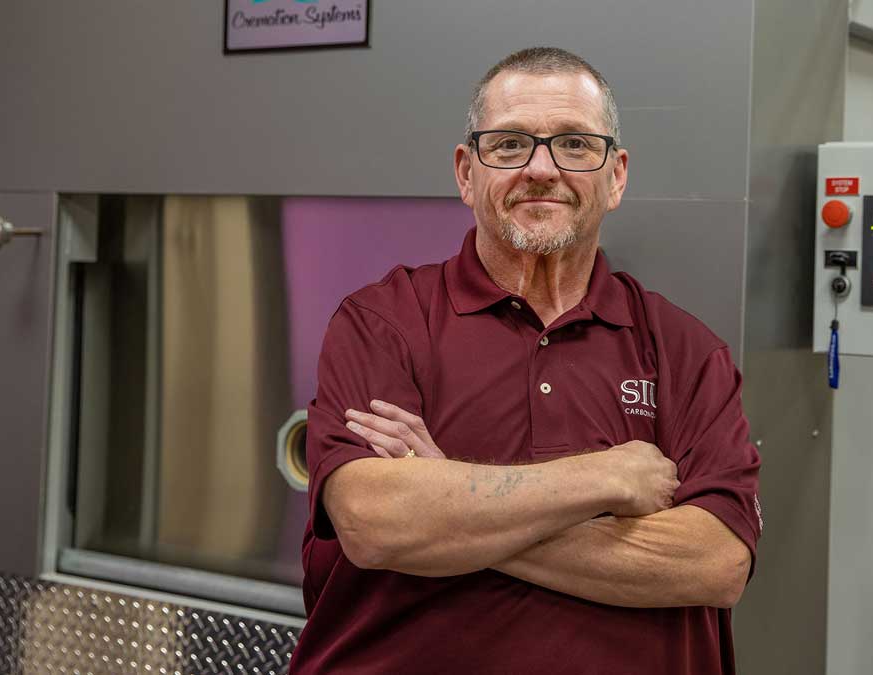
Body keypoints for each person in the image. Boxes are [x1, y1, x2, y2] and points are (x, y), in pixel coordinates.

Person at [288, 46, 762, 675]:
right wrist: (604, 478)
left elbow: (716, 563)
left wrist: (449, 503)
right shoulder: (383, 323)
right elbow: (376, 523)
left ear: (616, 176)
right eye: (509, 144)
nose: (541, 169)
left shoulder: (687, 353)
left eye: (573, 145)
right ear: (466, 173)